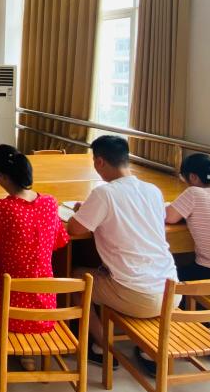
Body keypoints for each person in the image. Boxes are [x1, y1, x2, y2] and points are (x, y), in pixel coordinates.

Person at [67, 135, 178, 365]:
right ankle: (145, 347)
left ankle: (102, 346)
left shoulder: (104, 194)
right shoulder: (153, 191)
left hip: (137, 295)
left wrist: (82, 211)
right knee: (106, 273)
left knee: (75, 279)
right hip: (172, 291)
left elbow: (75, 229)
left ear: (99, 162)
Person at [0, 145, 68, 345]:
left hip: (6, 307)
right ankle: (26, 354)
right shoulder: (50, 203)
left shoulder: (0, 208)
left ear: (2, 177)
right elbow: (57, 241)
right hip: (45, 310)